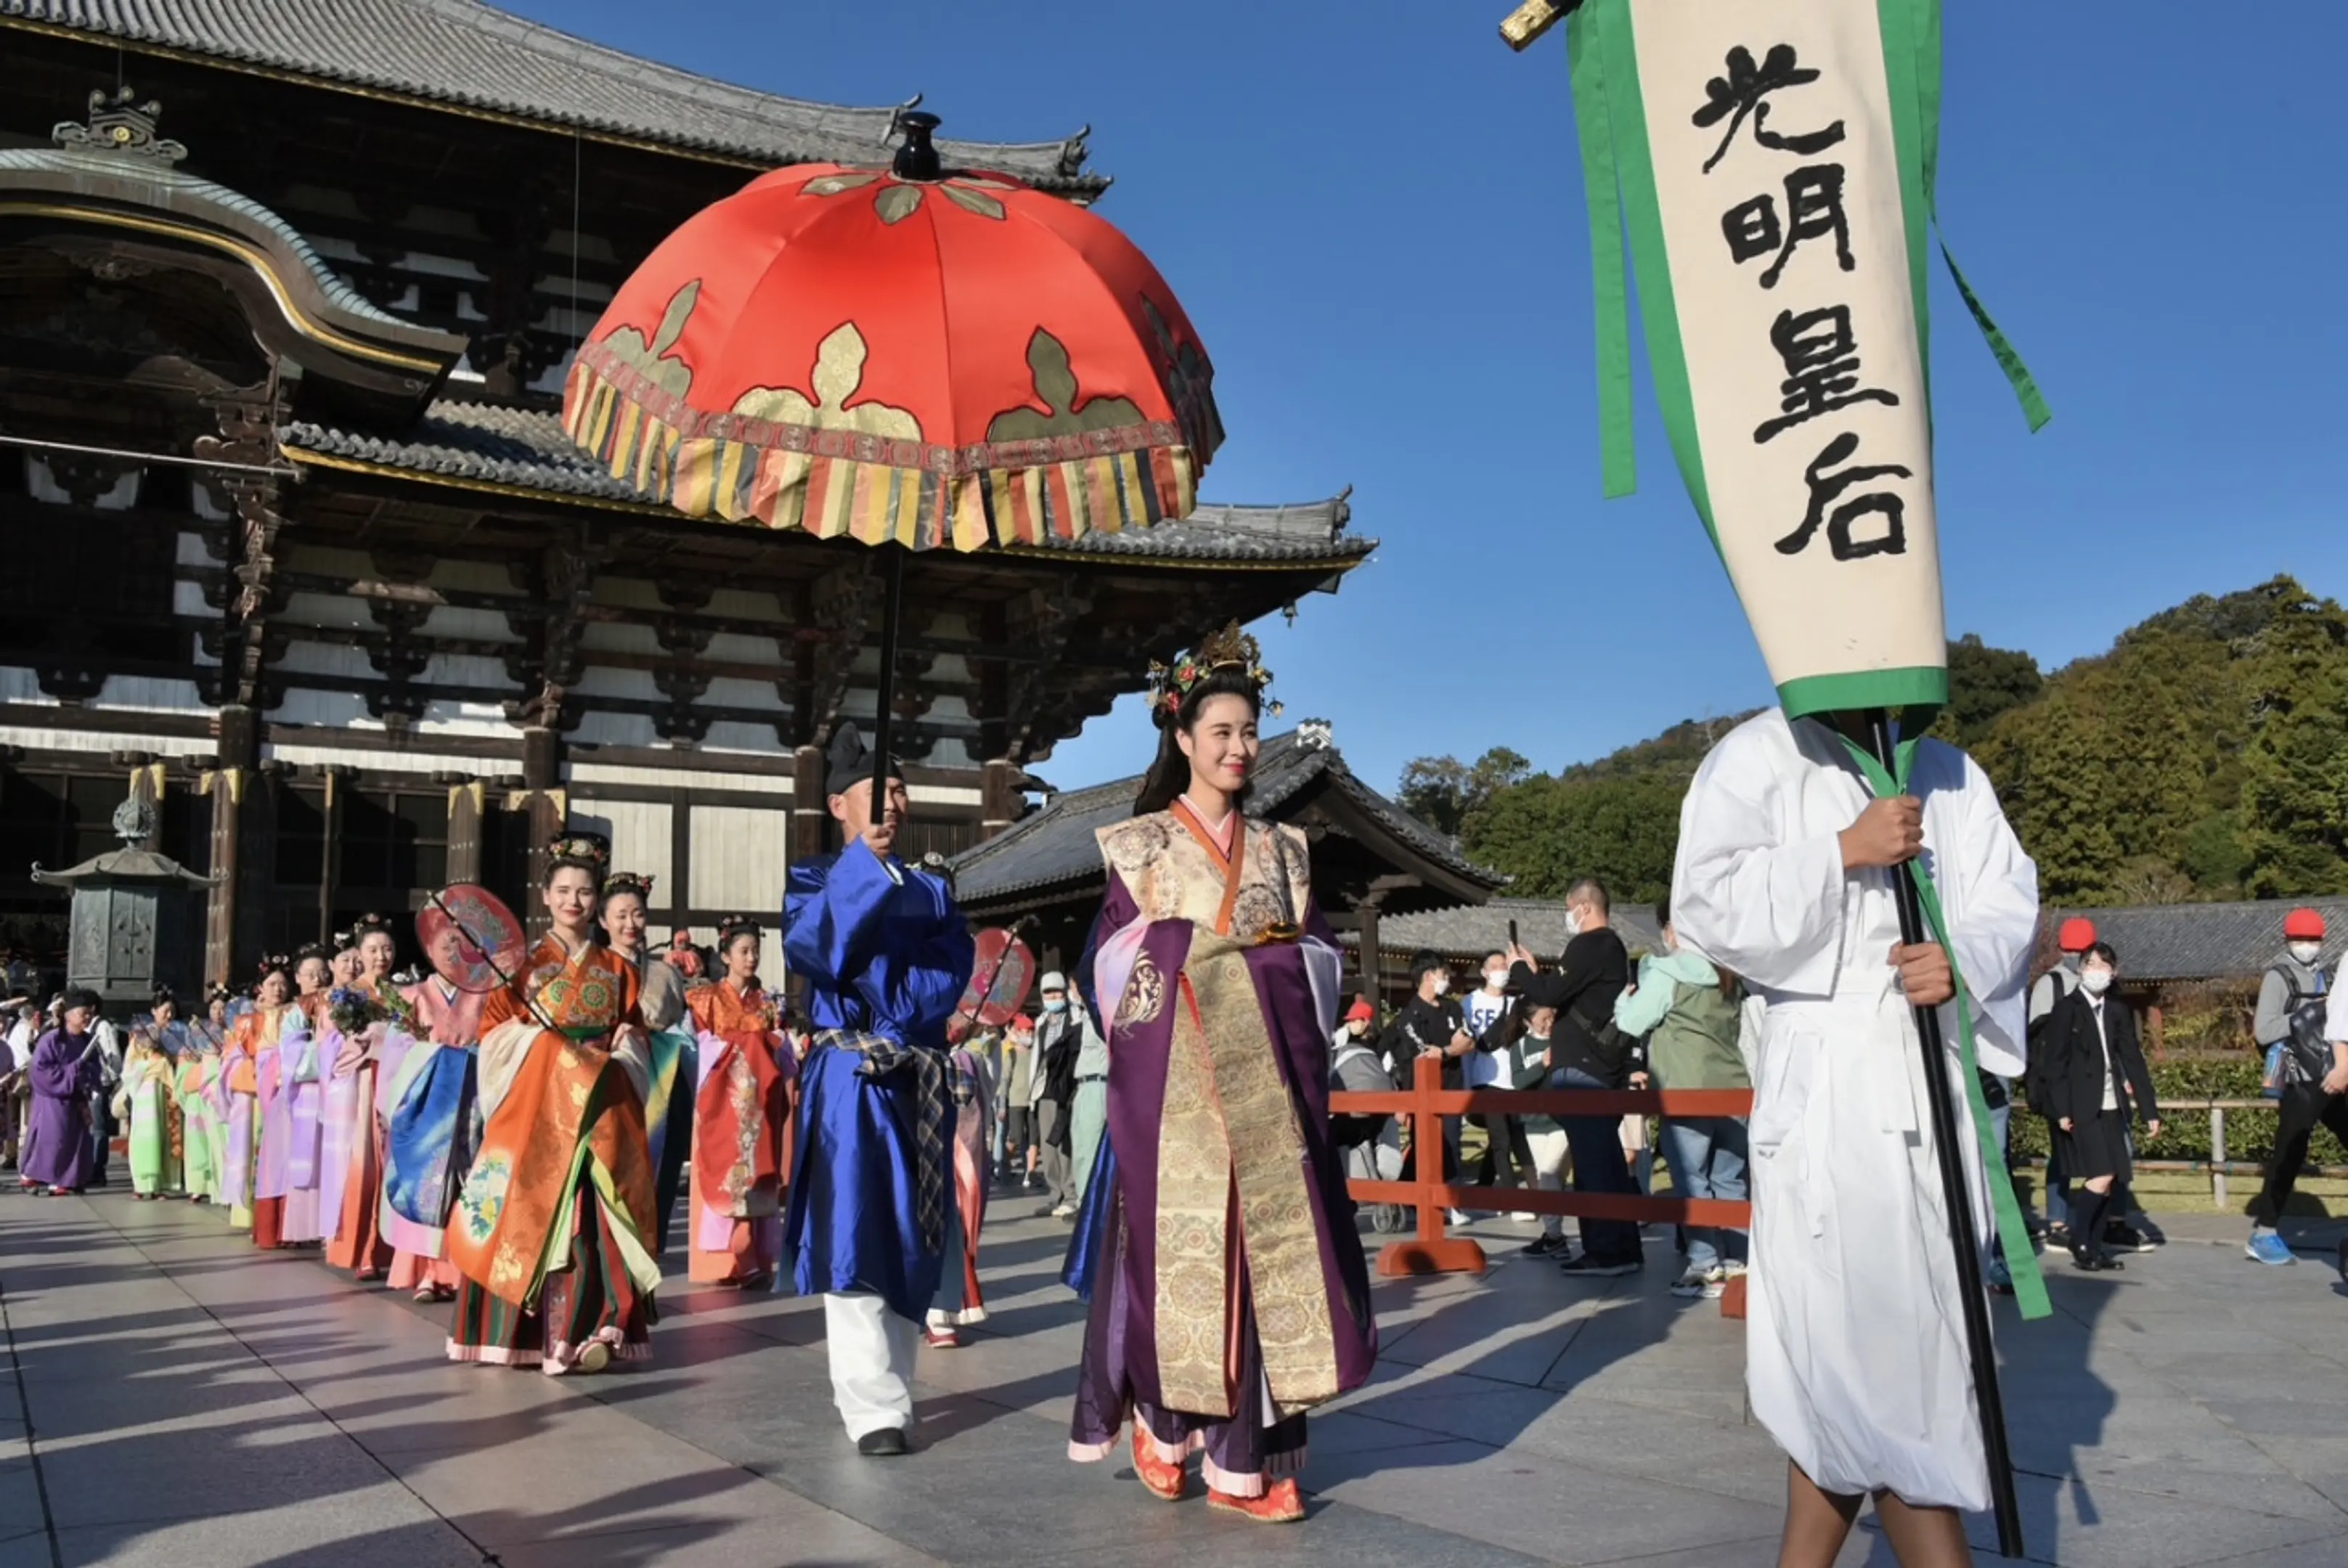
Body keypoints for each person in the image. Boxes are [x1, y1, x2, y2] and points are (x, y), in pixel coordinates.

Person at [1671, 706, 2038, 1567]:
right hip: (1825, 1089)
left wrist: (1961, 958)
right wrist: (1839, 849)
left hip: (1926, 1080)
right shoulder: (1757, 753)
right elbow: (1706, 907)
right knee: (1862, 1370)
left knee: (1882, 1367)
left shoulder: (1950, 770)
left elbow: (2007, 900)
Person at [1064, 625, 1375, 1524]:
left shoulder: (1286, 851)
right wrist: (1192, 953)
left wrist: (1268, 964)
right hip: (1179, 1100)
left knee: (1266, 1263)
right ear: (1183, 740)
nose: (1240, 749)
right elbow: (1115, 970)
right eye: (1222, 733)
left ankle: (1251, 1461)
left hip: (1268, 1092)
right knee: (1175, 1265)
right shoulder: (1140, 848)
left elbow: (1321, 961)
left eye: (1248, 731)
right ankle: (1164, 1424)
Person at [783, 722, 976, 1457]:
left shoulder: (932, 890)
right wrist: (861, 879)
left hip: (915, 1073)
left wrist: (880, 983)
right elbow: (817, 951)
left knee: (912, 1231)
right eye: (878, 790)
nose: (893, 801)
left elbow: (943, 976)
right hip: (848, 1081)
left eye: (900, 788)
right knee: (854, 1232)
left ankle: (898, 1388)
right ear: (841, 805)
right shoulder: (811, 880)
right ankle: (871, 1408)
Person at [447, 832, 660, 1374]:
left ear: (598, 902)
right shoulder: (517, 967)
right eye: (563, 890)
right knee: (526, 1213)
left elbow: (634, 1036)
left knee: (593, 1219)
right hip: (535, 1110)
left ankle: (590, 1329)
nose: (574, 901)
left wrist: (617, 1051)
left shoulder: (619, 970)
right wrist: (542, 1045)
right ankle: (523, 1334)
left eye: (585, 892)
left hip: (596, 1110)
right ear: (545, 897)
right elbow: (492, 1041)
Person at [1614, 898, 1750, 1299]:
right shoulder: (1731, 974)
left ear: (1673, 930)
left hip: (1686, 1091)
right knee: (1730, 1180)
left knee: (1693, 1183)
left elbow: (1632, 1021)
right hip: (1734, 1088)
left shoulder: (1667, 971)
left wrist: (1624, 997)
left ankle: (1706, 1265)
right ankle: (1740, 1263)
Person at [1507, 878, 1639, 1278]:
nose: (1569, 916)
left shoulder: (1590, 944)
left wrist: (1519, 971)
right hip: (1602, 1066)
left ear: (1584, 906)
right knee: (1608, 1160)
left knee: (1594, 1163)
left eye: (1570, 907)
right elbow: (1567, 988)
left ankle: (1605, 1251)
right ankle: (1624, 1246)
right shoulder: (1613, 949)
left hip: (1582, 1066)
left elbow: (1550, 991)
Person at [383, 907, 490, 1304]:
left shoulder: (484, 993)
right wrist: (428, 1056)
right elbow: (398, 1048)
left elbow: (495, 1037)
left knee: (469, 1178)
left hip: (474, 1098)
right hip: (428, 1099)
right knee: (426, 1180)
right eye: (446, 944)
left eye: (462, 944)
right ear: (429, 949)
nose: (454, 952)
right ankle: (427, 1271)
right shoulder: (413, 995)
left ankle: (465, 1266)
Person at [685, 915, 796, 1288]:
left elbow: (783, 1052)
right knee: (725, 1176)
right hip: (722, 1103)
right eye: (744, 951)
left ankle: (754, 1257)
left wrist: (772, 1043)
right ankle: (726, 1260)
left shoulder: (766, 1002)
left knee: (759, 1176)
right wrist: (745, 1046)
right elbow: (699, 1048)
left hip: (759, 1105)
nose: (751, 959)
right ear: (726, 955)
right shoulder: (705, 999)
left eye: (756, 951)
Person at [2034, 943, 2159, 1273]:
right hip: (2080, 1104)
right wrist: (2062, 1110)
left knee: (2112, 1175)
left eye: (2104, 965)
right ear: (2080, 969)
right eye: (2091, 964)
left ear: (2114, 972)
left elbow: (2132, 1059)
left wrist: (2149, 1111)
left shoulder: (2117, 1010)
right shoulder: (2067, 1009)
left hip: (2112, 1103)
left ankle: (2095, 1243)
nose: (2097, 970)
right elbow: (2055, 1064)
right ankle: (2080, 1238)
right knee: (2100, 1174)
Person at [602, 873, 696, 1257]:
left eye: (638, 914)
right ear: (603, 920)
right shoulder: (593, 968)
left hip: (663, 1080)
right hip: (612, 1082)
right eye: (620, 915)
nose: (630, 924)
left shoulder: (664, 973)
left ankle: (648, 1254)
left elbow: (684, 1028)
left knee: (662, 1171)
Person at [2248, 908, 2344, 1266]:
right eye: (2301, 940)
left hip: (2330, 1072)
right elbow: (2265, 1030)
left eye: (2314, 940)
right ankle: (2265, 1232)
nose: (2307, 946)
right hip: (2298, 1077)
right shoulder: (2278, 977)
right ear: (2288, 941)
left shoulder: (2329, 975)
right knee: (2290, 1152)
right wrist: (2307, 1014)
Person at [325, 915, 401, 1281]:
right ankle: (362, 1248)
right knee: (365, 1164)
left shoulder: (400, 992)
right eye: (373, 949)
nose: (381, 956)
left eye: (387, 948)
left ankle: (390, 1248)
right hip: (362, 1085)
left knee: (391, 1166)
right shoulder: (348, 994)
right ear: (361, 953)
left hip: (394, 1081)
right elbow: (335, 1045)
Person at [1381, 951, 1472, 1223]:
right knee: (1426, 1147)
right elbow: (1423, 1052)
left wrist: (1445, 1051)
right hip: (1422, 1090)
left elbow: (1467, 1042)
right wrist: (1450, 1049)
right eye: (1444, 973)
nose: (1447, 978)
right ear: (1430, 975)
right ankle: (1412, 1195)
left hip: (1453, 1086)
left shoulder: (1453, 1008)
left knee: (1452, 1142)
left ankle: (1453, 1202)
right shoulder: (1410, 1015)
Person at [251, 949, 327, 1250]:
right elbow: (291, 1056)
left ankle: (314, 1226)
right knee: (285, 1159)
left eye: (323, 972)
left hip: (323, 1092)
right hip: (292, 1092)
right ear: (299, 979)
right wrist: (328, 1054)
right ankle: (283, 1227)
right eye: (310, 974)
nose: (318, 978)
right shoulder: (295, 1012)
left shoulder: (333, 1003)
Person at [930, 1032, 995, 1347]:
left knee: (950, 1221)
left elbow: (979, 1101)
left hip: (950, 1150)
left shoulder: (968, 1057)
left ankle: (939, 1311)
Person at [1462, 951, 1535, 1213]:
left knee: (1510, 1135)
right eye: (1495, 966)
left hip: (1512, 1078)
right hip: (1485, 1077)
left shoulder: (1516, 1004)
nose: (1501, 970)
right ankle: (1512, 1199)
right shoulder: (1469, 1003)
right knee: (1502, 1137)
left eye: (1505, 966)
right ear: (1484, 972)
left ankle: (1484, 1184)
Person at [20, 989, 104, 1196]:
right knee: (54, 1139)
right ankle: (46, 1177)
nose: (87, 1018)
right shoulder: (52, 1040)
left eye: (89, 1014)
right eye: (82, 1014)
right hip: (53, 1099)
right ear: (68, 1015)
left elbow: (95, 1067)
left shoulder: (88, 1040)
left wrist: (86, 1075)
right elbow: (39, 1070)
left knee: (78, 1140)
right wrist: (70, 1072)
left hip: (77, 1096)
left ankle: (71, 1179)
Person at [1506, 1005, 1573, 1257]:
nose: (1548, 1023)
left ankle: (1554, 1236)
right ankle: (1554, 1236)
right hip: (1534, 1122)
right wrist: (1542, 1065)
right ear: (1528, 1021)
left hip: (1561, 1121)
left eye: (1552, 1017)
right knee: (1552, 1179)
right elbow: (1518, 1082)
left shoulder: (1564, 1041)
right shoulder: (1520, 1048)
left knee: (1549, 1173)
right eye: (1543, 1019)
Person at [117, 992, 183, 1201]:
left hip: (168, 1090)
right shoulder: (140, 1035)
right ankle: (142, 1183)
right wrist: (151, 1064)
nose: (169, 1015)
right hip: (146, 1090)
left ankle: (160, 1184)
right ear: (154, 1012)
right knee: (146, 1137)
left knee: (166, 1137)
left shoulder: (177, 1035)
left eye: (172, 1011)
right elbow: (129, 1066)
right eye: (165, 1011)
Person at [1034, 972, 1083, 1218]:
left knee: (1065, 1142)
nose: (1054, 996)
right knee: (1048, 1145)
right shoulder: (1041, 1023)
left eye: (1058, 992)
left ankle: (1071, 1194)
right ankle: (1054, 1195)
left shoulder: (1076, 1018)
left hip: (1066, 1087)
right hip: (1044, 1088)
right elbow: (1036, 1058)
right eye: (1049, 992)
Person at [1067, 974, 1113, 1209]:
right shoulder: (1084, 1016)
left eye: (1077, 987)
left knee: (1091, 1145)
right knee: (1081, 1146)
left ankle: (1089, 1203)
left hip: (1098, 1082)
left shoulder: (1102, 1013)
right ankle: (1085, 1199)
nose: (1074, 992)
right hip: (1084, 1085)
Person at [1000, 1013, 1039, 1188]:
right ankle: (1003, 1165)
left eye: (1031, 1032)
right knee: (1015, 1137)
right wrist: (1002, 1104)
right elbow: (1005, 1079)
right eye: (1025, 1031)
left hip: (1033, 1101)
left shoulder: (1036, 1053)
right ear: (1017, 1031)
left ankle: (1030, 1173)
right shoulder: (1012, 1053)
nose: (1029, 1035)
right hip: (1016, 1101)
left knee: (1033, 1138)